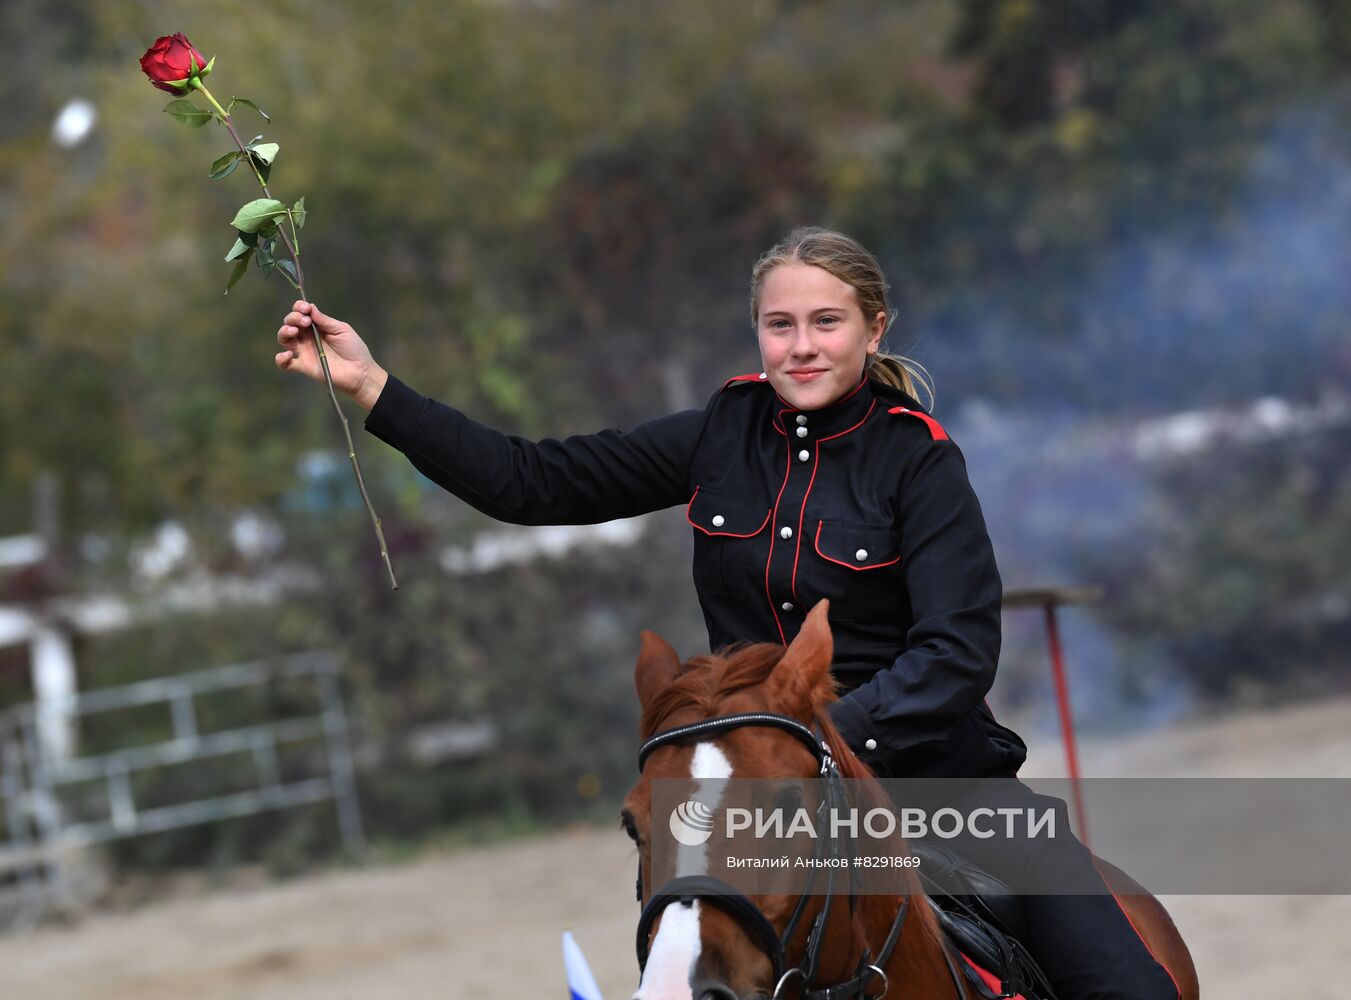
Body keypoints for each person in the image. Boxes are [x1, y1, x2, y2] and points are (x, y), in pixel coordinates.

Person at [273, 226, 1180, 999]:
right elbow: (528, 481)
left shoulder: (920, 460)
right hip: (748, 791)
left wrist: (819, 737)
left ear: (873, 328)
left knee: (1128, 987)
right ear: (756, 333)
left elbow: (954, 655)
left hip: (941, 789)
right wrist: (372, 388)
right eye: (779, 325)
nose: (801, 346)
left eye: (826, 322)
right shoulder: (720, 430)